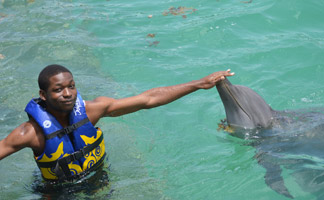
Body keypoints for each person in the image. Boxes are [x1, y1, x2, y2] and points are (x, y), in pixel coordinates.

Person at [0, 64, 234, 182]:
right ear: (43, 95)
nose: (68, 93)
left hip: (99, 179)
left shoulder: (92, 111)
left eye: (71, 86)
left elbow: (147, 99)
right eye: (58, 90)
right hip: (58, 192)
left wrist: (198, 84)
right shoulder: (30, 133)